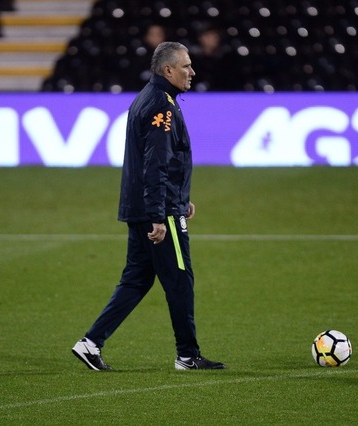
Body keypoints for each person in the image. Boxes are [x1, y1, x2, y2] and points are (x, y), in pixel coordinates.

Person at [72, 42, 226, 371]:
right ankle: (188, 355)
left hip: (148, 205)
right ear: (167, 70)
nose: (192, 72)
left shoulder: (149, 97)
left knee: (137, 279)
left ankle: (90, 343)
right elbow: (155, 165)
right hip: (157, 212)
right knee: (180, 279)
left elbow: (156, 164)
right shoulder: (162, 107)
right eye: (185, 66)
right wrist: (160, 213)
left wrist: (180, 199)